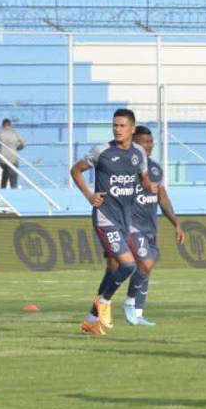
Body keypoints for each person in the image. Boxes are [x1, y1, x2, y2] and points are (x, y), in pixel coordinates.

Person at [69, 109, 157, 335]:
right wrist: (90, 196)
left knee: (114, 269)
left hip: (125, 220)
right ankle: (105, 301)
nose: (117, 129)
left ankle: (90, 320)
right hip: (105, 217)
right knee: (128, 265)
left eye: (122, 126)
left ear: (132, 129)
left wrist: (148, 185)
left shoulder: (138, 152)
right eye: (115, 125)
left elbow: (142, 175)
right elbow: (76, 170)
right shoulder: (102, 151)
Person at [117, 125, 185, 326]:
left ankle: (138, 314)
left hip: (150, 228)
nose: (149, 146)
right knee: (145, 263)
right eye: (144, 142)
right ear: (134, 143)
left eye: (150, 142)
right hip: (131, 226)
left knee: (146, 269)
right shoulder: (125, 168)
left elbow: (162, 199)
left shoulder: (155, 169)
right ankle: (128, 303)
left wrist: (176, 224)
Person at [0, 118, 26, 189]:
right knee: (13, 176)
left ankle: (3, 188)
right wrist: (17, 148)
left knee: (5, 172)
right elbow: (23, 144)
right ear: (10, 125)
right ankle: (13, 189)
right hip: (13, 158)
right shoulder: (15, 132)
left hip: (3, 159)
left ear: (3, 125)